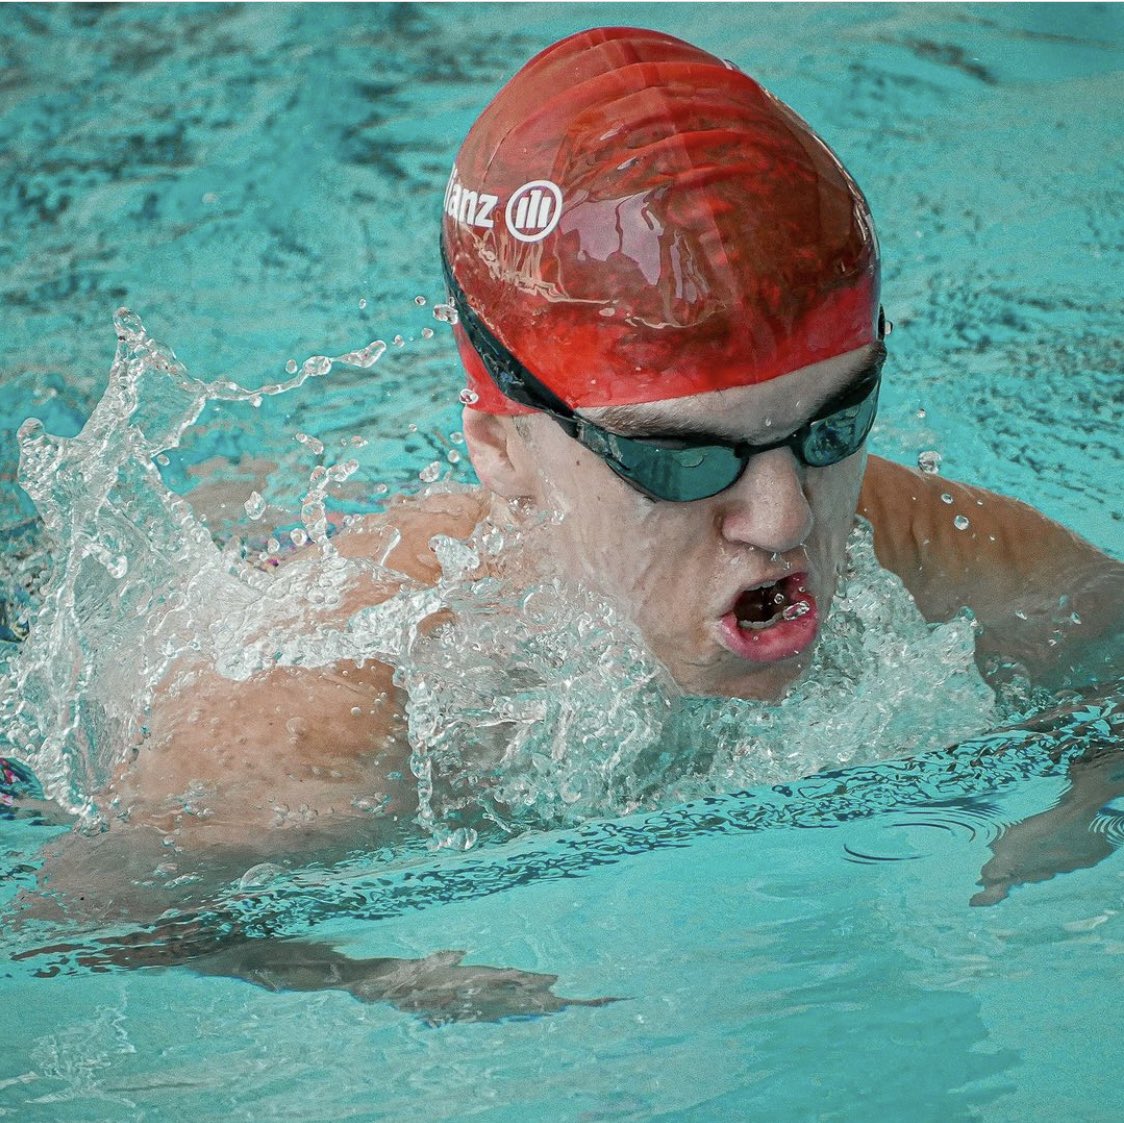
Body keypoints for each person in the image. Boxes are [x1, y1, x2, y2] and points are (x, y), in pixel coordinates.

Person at [12, 27, 1124, 1017]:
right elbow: (79, 920)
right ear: (499, 444)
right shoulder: (325, 732)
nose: (782, 516)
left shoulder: (926, 552)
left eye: (834, 424)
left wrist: (1085, 805)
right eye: (679, 456)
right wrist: (358, 978)